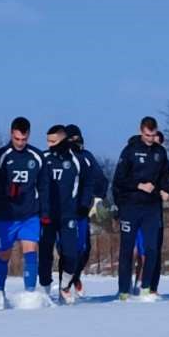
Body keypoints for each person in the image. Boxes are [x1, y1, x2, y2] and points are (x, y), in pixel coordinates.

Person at [111, 115, 169, 300]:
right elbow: (119, 180)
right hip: (131, 206)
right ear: (141, 131)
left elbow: (165, 177)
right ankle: (124, 291)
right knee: (127, 249)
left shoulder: (160, 153)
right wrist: (138, 185)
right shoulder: (129, 151)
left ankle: (147, 288)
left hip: (152, 207)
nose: (150, 138)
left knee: (152, 248)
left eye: (153, 135)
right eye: (147, 135)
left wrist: (166, 189)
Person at [0, 116, 49, 306]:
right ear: (11, 134)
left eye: (24, 139)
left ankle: (30, 293)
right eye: (17, 139)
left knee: (30, 251)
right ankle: (0, 291)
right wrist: (5, 191)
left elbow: (44, 187)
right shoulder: (2, 155)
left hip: (29, 214)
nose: (20, 143)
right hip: (7, 215)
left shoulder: (37, 157)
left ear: (29, 136)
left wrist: (45, 212)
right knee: (4, 254)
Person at [42, 126, 85, 303]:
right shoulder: (43, 158)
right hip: (47, 215)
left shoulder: (76, 160)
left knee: (71, 253)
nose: (49, 145)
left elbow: (88, 182)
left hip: (68, 214)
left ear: (62, 141)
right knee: (45, 253)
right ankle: (45, 291)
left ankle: (65, 284)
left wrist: (84, 204)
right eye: (48, 141)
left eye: (53, 142)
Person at [66, 124, 105, 295]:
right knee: (68, 249)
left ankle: (75, 276)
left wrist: (97, 199)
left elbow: (101, 179)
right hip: (65, 212)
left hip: (82, 210)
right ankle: (65, 283)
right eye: (72, 139)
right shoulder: (61, 158)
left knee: (84, 249)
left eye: (78, 138)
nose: (76, 142)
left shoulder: (87, 157)